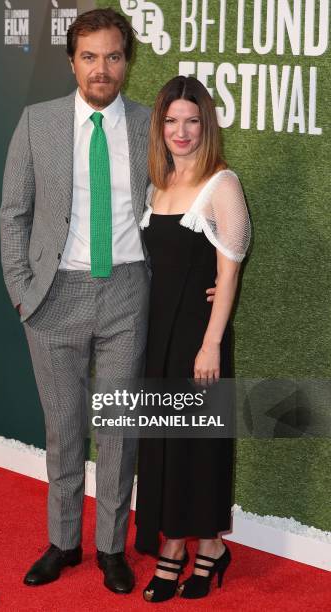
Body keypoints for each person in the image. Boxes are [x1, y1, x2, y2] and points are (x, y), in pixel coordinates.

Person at [0, 8, 152, 594]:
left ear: (127, 61)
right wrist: (21, 292)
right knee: (64, 428)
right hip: (53, 296)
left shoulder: (147, 124)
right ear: (71, 61)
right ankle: (64, 542)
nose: (102, 68)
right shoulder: (37, 122)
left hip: (127, 294)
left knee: (116, 428)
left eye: (113, 56)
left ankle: (112, 547)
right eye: (89, 56)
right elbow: (13, 212)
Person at [135, 76, 251, 602]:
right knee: (165, 446)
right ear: (161, 126)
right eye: (171, 120)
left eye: (192, 120)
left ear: (206, 125)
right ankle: (179, 544)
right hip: (156, 336)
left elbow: (227, 277)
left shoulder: (221, 184)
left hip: (198, 341)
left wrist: (210, 345)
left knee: (197, 449)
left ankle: (205, 549)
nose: (181, 131)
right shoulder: (156, 183)